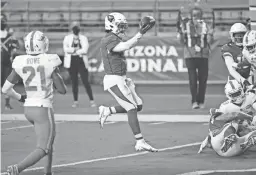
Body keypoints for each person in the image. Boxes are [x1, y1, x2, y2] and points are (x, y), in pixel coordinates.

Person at [2, 31, 67, 175]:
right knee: (44, 148)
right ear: (43, 44)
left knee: (50, 139)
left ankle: (48, 172)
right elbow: (62, 90)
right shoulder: (49, 61)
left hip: (28, 108)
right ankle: (16, 169)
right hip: (42, 108)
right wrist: (55, 76)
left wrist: (19, 97)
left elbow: (5, 89)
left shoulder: (20, 61)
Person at [98, 12, 158, 152]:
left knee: (138, 106)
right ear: (111, 25)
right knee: (131, 108)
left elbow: (124, 45)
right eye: (120, 26)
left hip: (121, 78)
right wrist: (140, 33)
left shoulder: (114, 37)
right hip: (113, 79)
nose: (123, 29)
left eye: (123, 26)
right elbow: (123, 47)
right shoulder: (108, 39)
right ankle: (140, 141)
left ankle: (107, 110)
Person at [180, 7, 213, 109]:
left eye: (198, 15)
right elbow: (182, 42)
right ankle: (194, 101)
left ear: (201, 16)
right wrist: (181, 34)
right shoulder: (186, 25)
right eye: (194, 15)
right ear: (191, 16)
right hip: (190, 55)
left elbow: (209, 40)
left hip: (203, 55)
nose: (196, 17)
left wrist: (210, 35)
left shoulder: (205, 25)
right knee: (193, 79)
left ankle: (201, 100)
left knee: (203, 79)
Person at [63, 21, 96, 108]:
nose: (75, 29)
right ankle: (75, 101)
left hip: (81, 61)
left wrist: (73, 50)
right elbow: (65, 49)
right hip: (71, 61)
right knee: (74, 82)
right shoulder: (67, 38)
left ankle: (92, 101)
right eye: (74, 27)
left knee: (85, 82)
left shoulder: (83, 38)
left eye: (77, 27)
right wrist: (76, 50)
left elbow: (85, 50)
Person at [221, 23, 252, 88]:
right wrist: (243, 81)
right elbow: (231, 69)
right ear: (232, 36)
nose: (240, 38)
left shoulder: (250, 46)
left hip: (251, 77)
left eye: (242, 35)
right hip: (235, 80)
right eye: (238, 36)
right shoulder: (228, 48)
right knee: (233, 90)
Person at [1, 13, 19, 110]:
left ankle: (7, 104)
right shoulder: (10, 36)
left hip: (6, 62)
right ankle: (7, 104)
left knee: (6, 83)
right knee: (6, 83)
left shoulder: (10, 36)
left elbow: (15, 47)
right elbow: (15, 48)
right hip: (6, 61)